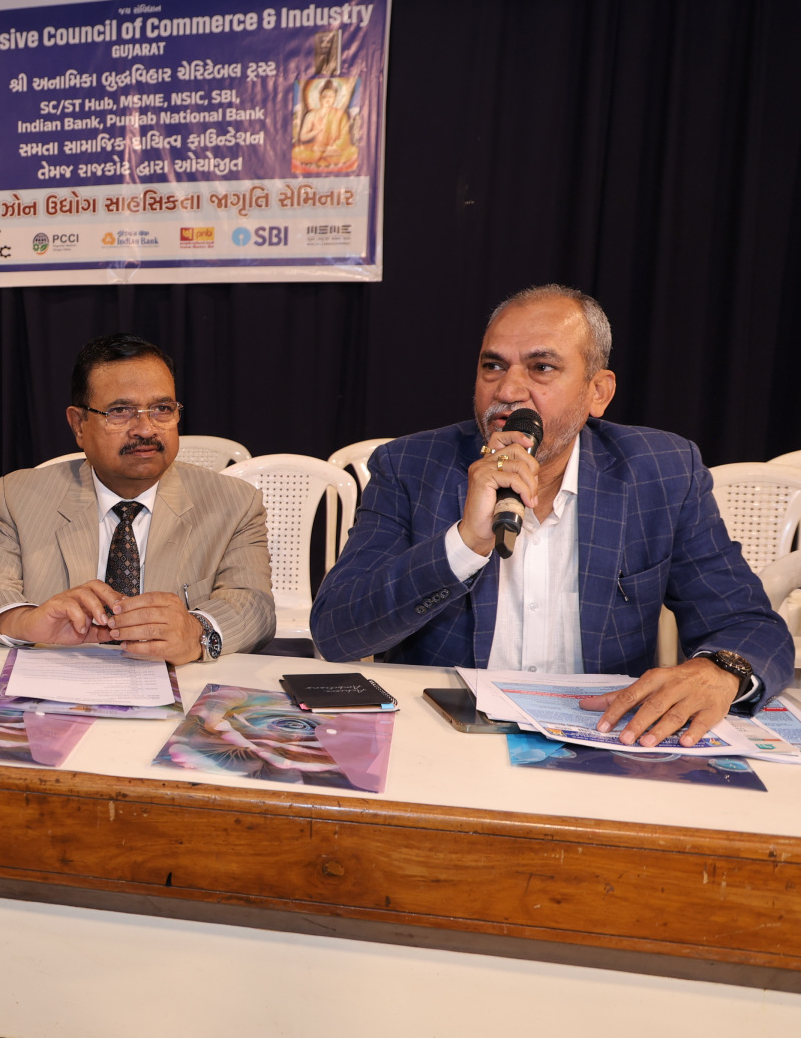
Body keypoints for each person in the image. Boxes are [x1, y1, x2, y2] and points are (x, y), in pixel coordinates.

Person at [312, 284, 793, 748]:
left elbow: (749, 624)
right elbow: (337, 632)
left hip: (604, 739)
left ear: (597, 392)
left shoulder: (661, 472)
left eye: (541, 368)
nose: (508, 390)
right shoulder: (411, 467)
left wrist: (718, 672)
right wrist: (464, 544)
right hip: (446, 740)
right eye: (493, 366)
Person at [0, 333, 275, 665]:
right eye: (121, 411)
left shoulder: (234, 503)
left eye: (162, 409)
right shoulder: (21, 496)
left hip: (180, 683)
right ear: (79, 425)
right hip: (58, 678)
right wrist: (27, 621)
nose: (146, 429)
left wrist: (197, 631)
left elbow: (254, 606)